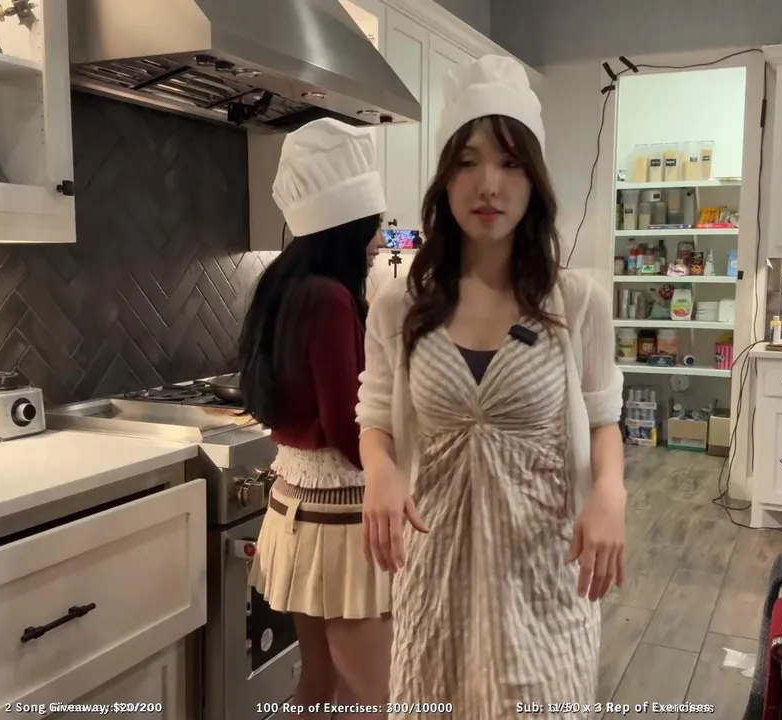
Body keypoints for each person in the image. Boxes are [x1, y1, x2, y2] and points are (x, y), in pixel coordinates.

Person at [356, 54, 627, 716]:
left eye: (509, 163)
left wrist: (610, 494)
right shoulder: (397, 305)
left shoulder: (577, 303)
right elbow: (376, 415)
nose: (489, 184)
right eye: (468, 161)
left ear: (534, 180)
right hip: (435, 583)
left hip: (543, 581)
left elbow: (603, 418)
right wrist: (380, 471)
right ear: (445, 178)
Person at [238, 118, 389, 718]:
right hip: (339, 523)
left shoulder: (285, 285)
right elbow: (353, 434)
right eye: (376, 223)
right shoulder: (329, 298)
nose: (381, 236)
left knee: (319, 688)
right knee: (376, 698)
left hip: (301, 513)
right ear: (351, 226)